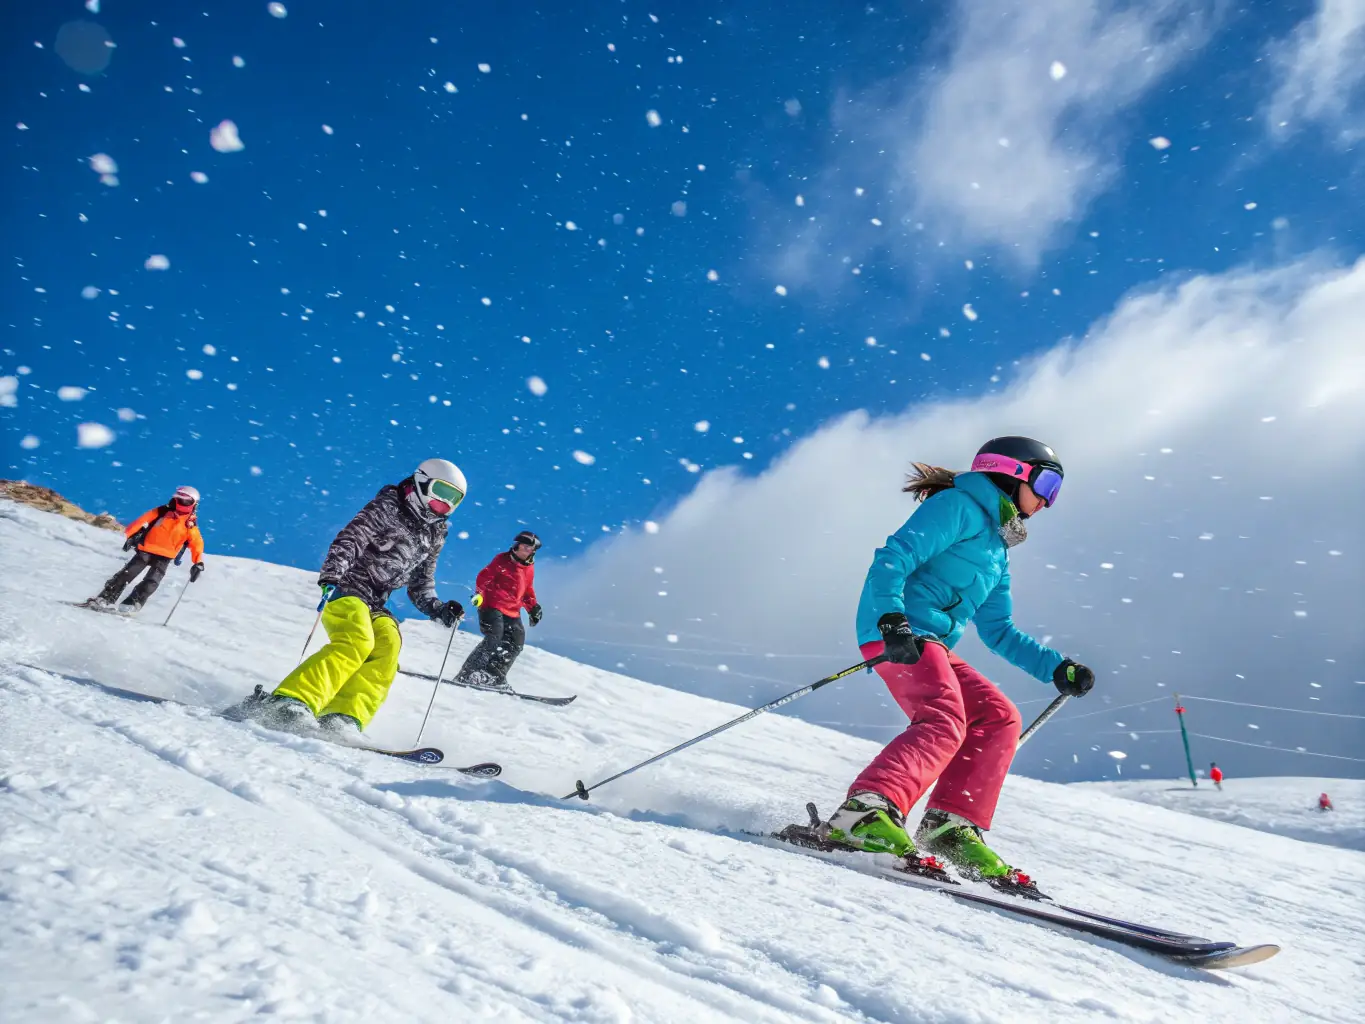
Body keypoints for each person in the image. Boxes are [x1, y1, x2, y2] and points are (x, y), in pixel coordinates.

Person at [823, 437, 1095, 885]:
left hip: (932, 643)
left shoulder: (997, 551)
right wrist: (891, 617)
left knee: (999, 717)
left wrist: (1055, 667)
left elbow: (999, 630)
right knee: (944, 717)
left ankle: (950, 827)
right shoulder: (957, 506)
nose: (1048, 501)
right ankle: (864, 813)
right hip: (899, 631)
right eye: (1047, 485)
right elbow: (894, 557)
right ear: (1012, 472)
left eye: (1056, 492)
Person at [250, 459, 468, 737]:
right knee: (357, 641)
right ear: (422, 483)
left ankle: (343, 715)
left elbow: (421, 582)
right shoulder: (390, 506)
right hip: (347, 587)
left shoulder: (435, 533)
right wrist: (333, 574)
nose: (446, 503)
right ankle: (292, 700)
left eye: (454, 499)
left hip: (376, 602)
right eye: (442, 492)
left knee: (388, 647)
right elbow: (352, 538)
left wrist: (438, 609)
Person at [86, 485, 206, 612]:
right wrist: (129, 535)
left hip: (164, 557)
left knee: (151, 582)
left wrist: (198, 562)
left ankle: (133, 602)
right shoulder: (162, 511)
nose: (182, 502)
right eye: (180, 499)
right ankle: (106, 598)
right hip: (146, 550)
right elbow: (142, 520)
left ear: (194, 504)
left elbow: (197, 543)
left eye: (187, 501)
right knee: (127, 574)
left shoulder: (190, 525)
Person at [453, 530, 543, 691]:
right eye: (522, 546)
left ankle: (492, 676)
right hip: (492, 605)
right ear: (517, 545)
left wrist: (533, 607)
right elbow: (484, 577)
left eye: (529, 548)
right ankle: (468, 674)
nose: (524, 550)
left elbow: (527, 590)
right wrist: (479, 594)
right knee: (495, 635)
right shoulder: (502, 560)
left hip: (512, 610)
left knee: (516, 641)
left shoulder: (529, 568)